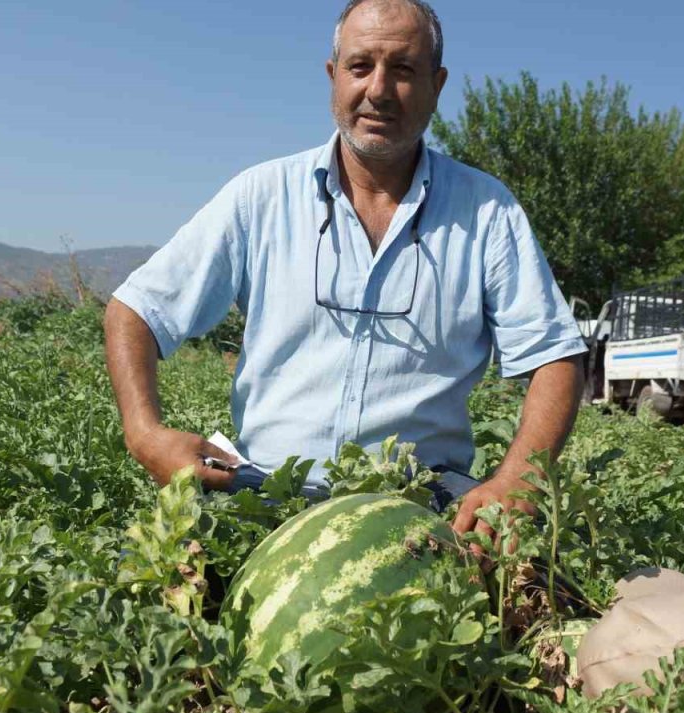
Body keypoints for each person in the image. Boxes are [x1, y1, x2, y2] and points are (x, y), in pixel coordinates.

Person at [103, 0, 586, 546]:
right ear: (333, 76)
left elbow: (556, 357)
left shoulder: (487, 212)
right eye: (360, 67)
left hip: (422, 508)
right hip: (265, 494)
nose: (378, 90)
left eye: (403, 69)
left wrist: (516, 481)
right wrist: (145, 433)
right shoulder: (262, 197)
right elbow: (136, 309)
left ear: (437, 84)